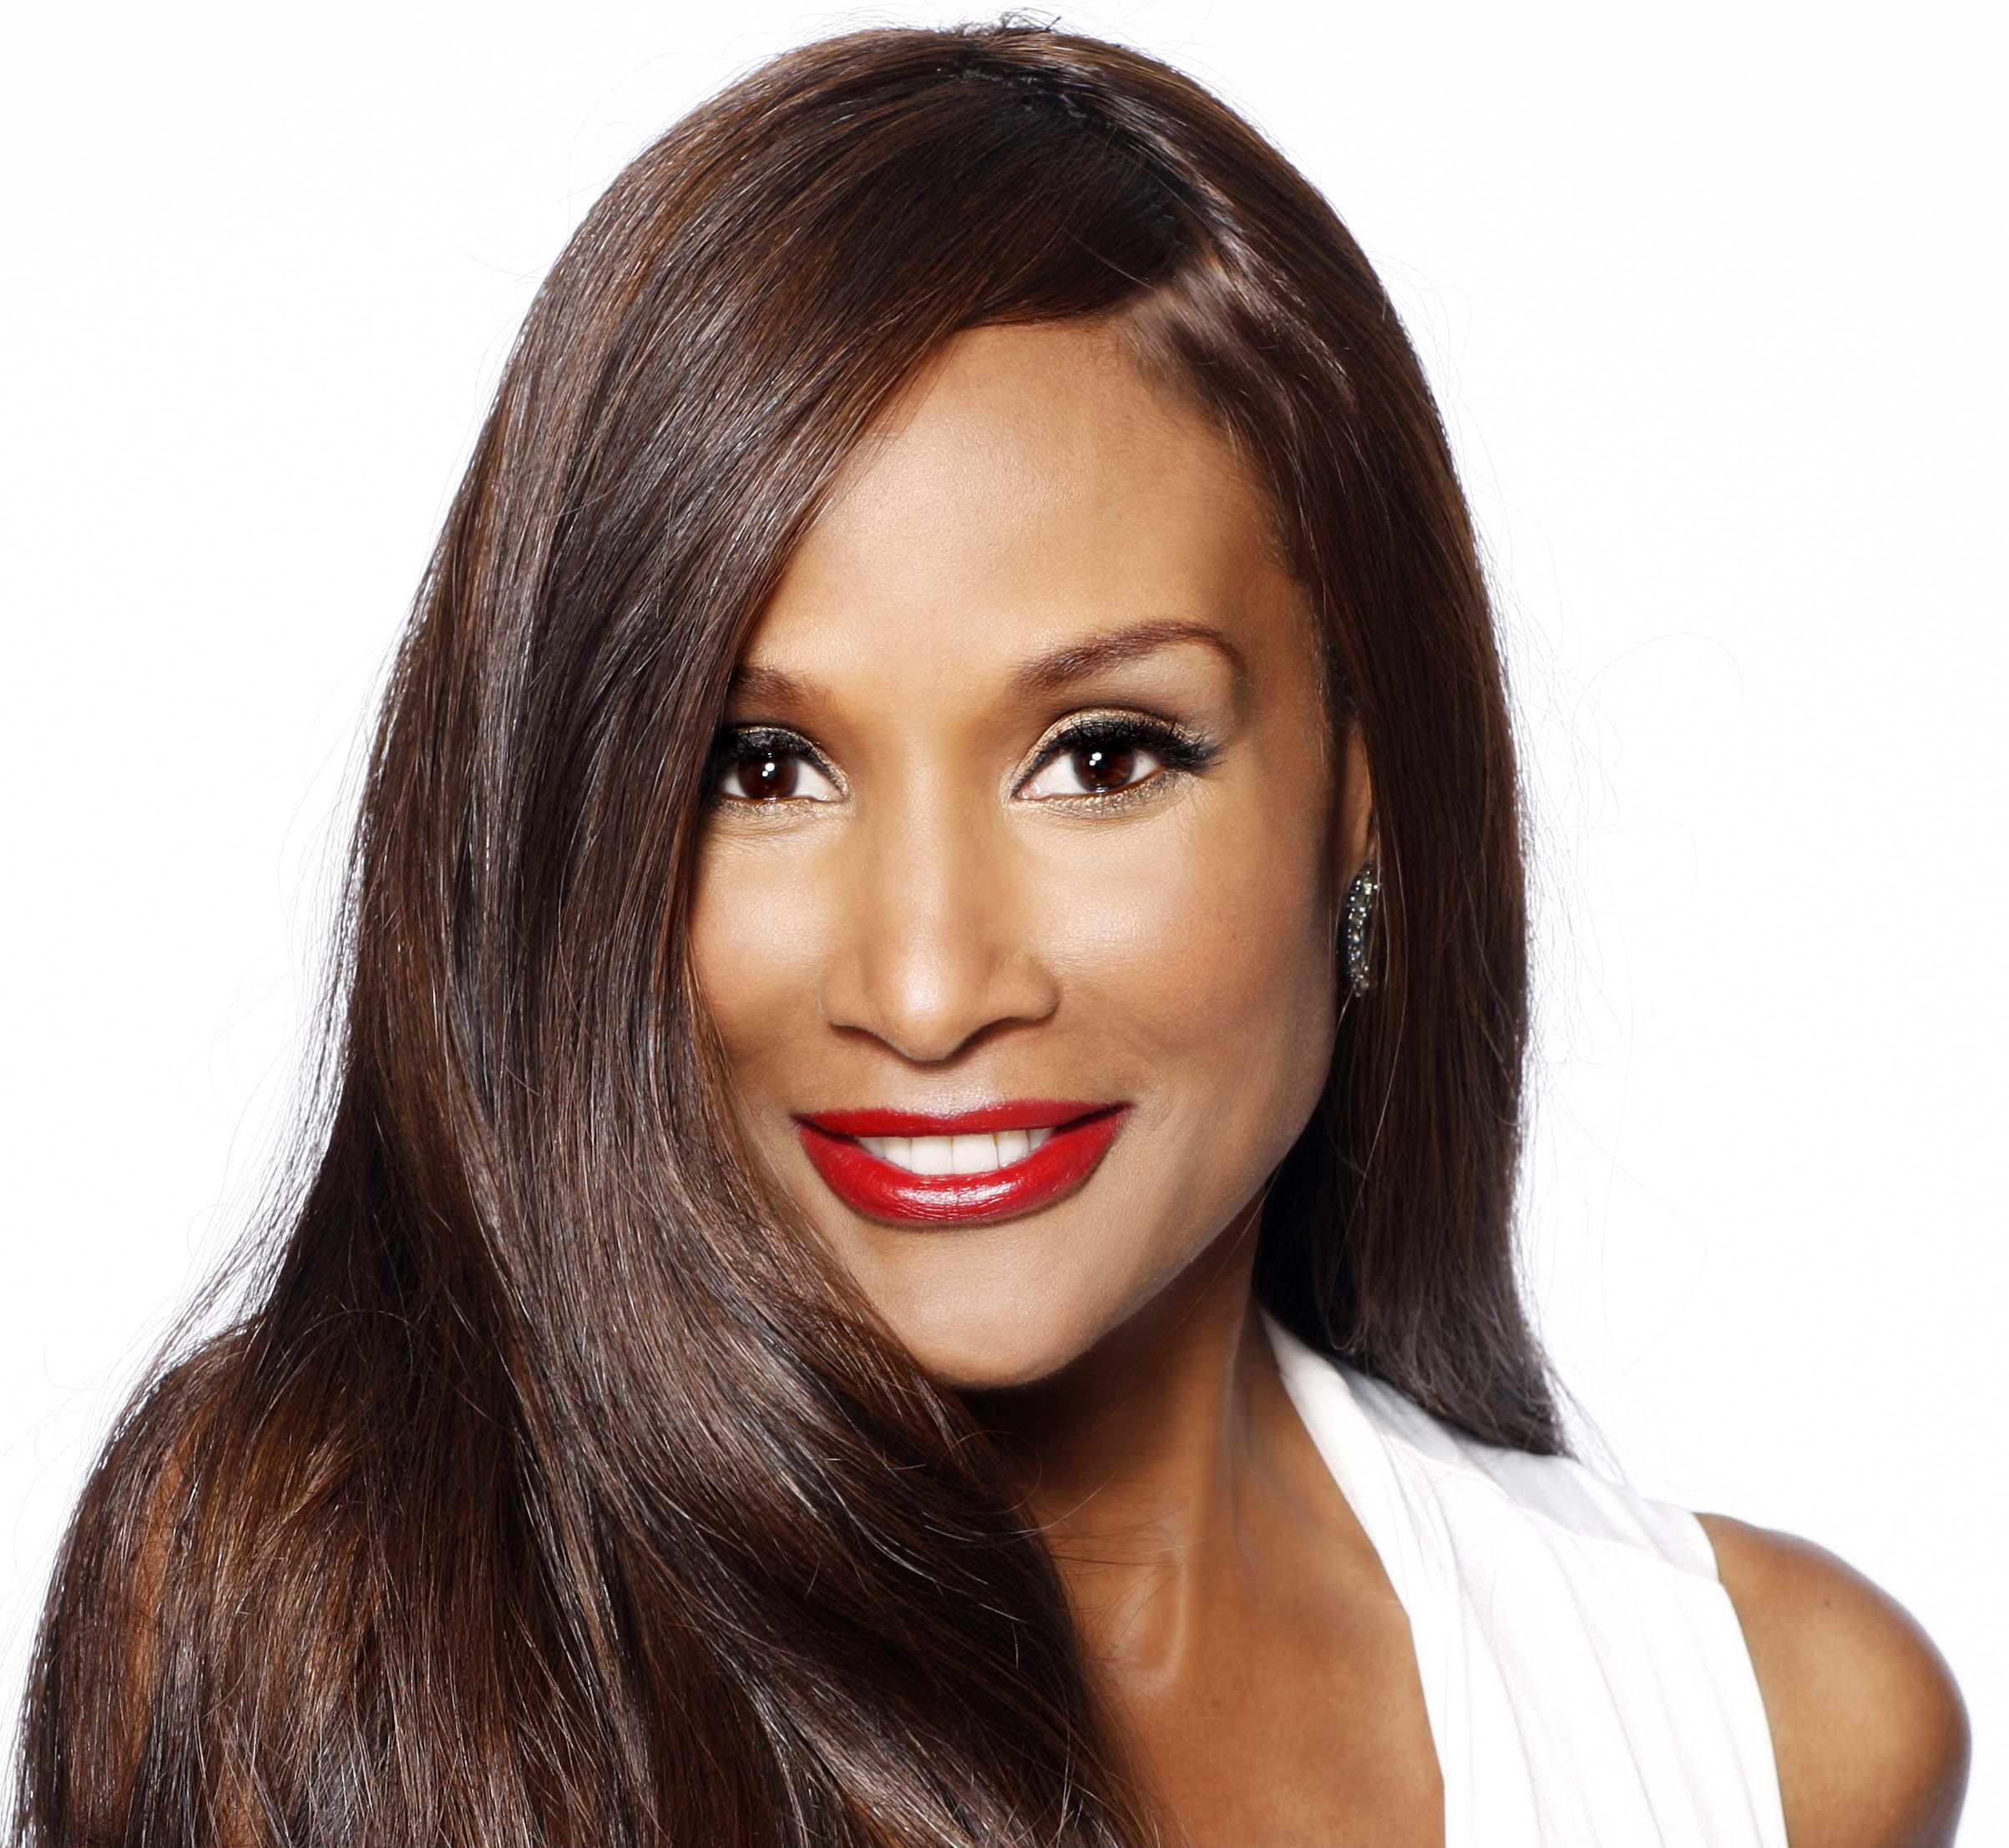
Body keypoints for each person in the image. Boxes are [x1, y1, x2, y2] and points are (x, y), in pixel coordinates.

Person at [11, 18, 1970, 1848]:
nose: (931, 986)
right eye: (764, 768)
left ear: (1369, 792)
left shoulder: (1779, 1735)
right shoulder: (326, 1619)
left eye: (1103, 757)